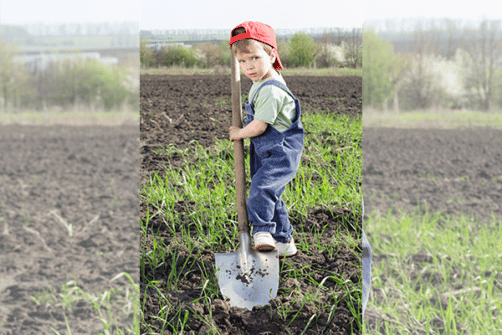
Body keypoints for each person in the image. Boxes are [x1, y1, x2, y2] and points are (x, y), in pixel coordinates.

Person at [228, 21, 303, 257]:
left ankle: (262, 231)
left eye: (255, 58)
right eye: (242, 61)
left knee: (261, 190)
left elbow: (259, 127)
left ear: (272, 55)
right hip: (267, 152)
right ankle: (284, 241)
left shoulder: (271, 90)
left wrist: (239, 133)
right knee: (272, 195)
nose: (248, 67)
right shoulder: (259, 82)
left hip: (280, 152)